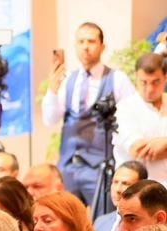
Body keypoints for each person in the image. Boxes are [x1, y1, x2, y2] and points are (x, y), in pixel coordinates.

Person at [45, 22, 138, 203]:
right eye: (81, 42)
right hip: (68, 168)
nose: (85, 47)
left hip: (101, 168)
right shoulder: (67, 80)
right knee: (67, 216)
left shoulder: (117, 79)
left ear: (102, 46)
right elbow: (50, 119)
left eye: (91, 41)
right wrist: (52, 90)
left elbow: (131, 120)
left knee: (102, 217)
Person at [113, 52, 167, 184]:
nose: (149, 89)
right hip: (136, 189)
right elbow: (139, 150)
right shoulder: (124, 108)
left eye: (155, 82)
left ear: (165, 78)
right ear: (136, 77)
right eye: (144, 82)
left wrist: (164, 142)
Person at [93, 160, 149, 231]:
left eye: (125, 183)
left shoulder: (147, 225)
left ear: (142, 188)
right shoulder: (100, 222)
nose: (118, 189)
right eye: (115, 182)